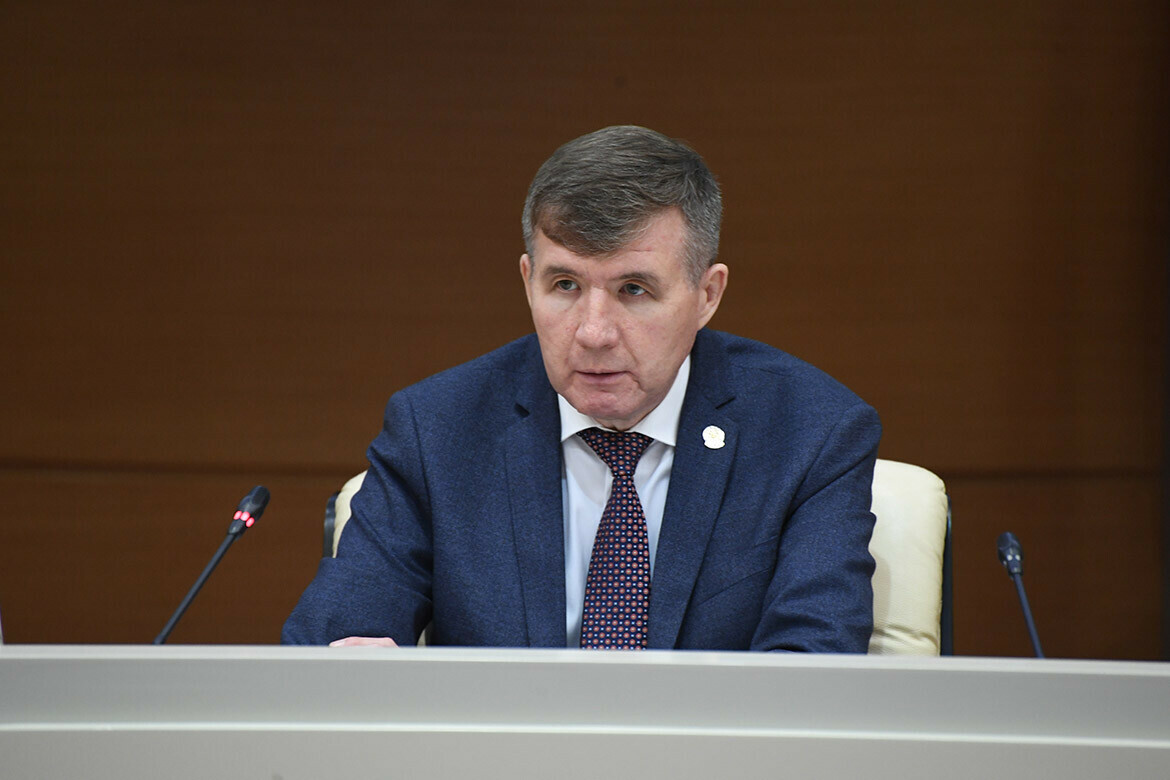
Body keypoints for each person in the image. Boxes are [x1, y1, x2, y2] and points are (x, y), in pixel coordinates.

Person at [282, 125, 881, 652]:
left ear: (707, 295)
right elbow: (331, 647)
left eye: (634, 290)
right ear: (528, 281)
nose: (593, 333)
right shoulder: (437, 430)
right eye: (565, 285)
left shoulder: (811, 433)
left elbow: (811, 673)